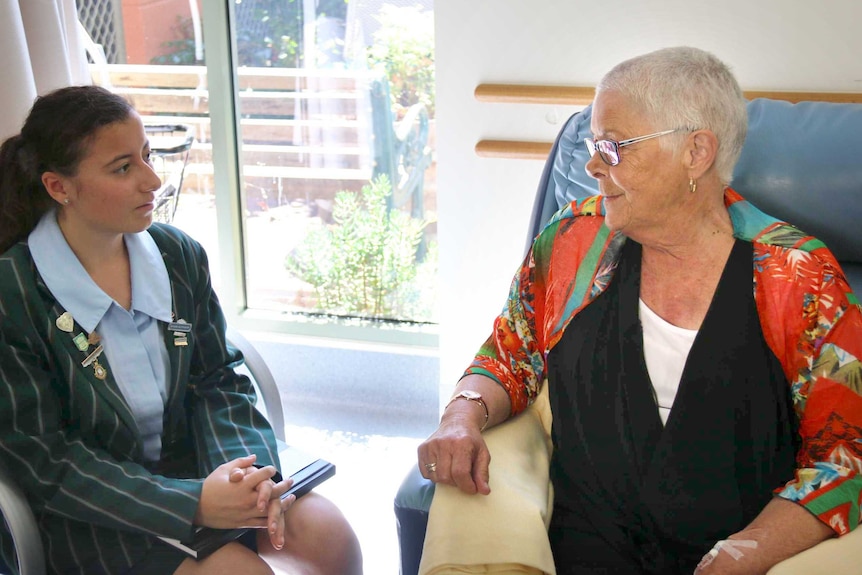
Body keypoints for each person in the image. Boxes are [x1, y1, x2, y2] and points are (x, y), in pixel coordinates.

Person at [417, 46, 862, 574]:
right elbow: (509, 357)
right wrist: (460, 416)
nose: (590, 165)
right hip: (581, 550)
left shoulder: (799, 276)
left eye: (612, 146)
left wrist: (752, 552)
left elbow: (846, 451)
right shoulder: (571, 241)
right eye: (591, 144)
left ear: (696, 152)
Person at [0, 85, 363, 575]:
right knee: (240, 572)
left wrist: (246, 476)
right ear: (59, 187)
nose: (152, 180)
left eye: (147, 156)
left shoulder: (176, 255)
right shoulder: (13, 294)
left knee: (330, 538)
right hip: (99, 511)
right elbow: (48, 460)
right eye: (123, 168)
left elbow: (219, 378)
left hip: (201, 463)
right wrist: (192, 503)